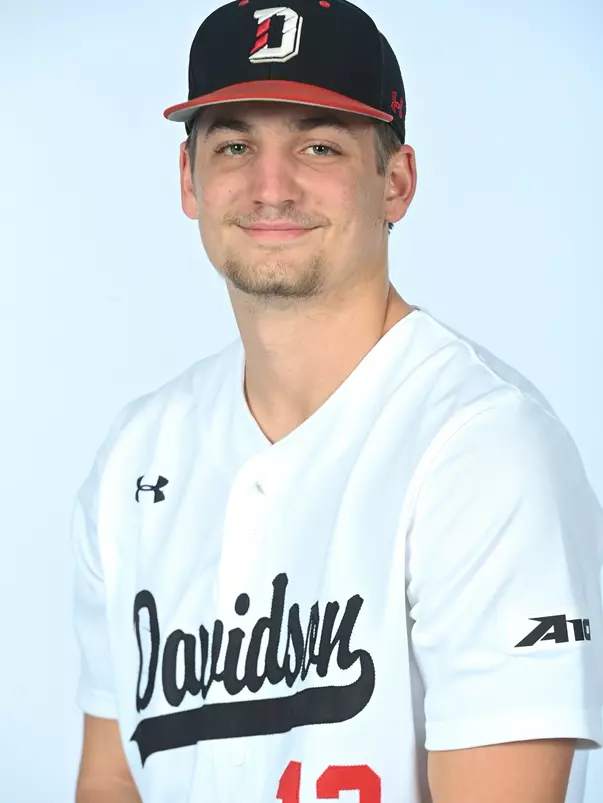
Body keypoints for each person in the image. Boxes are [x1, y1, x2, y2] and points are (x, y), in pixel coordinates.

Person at [72, 1, 603, 801]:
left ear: (395, 181)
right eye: (234, 145)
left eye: (318, 145)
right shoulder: (135, 456)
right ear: (189, 180)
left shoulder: (483, 450)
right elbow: (112, 776)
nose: (270, 186)